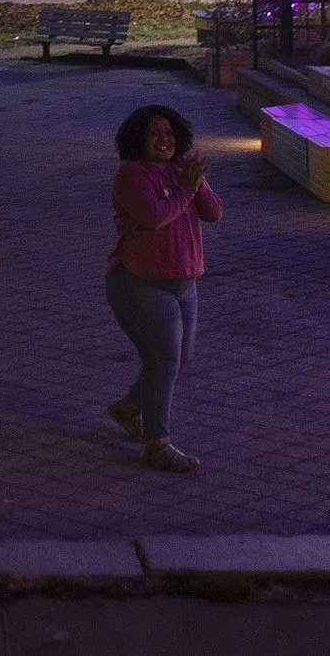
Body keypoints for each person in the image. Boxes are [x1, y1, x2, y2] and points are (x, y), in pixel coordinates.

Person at [103, 104, 221, 473]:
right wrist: (186, 189)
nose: (164, 140)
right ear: (139, 139)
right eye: (155, 133)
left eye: (169, 133)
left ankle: (129, 407)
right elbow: (154, 217)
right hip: (139, 284)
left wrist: (196, 182)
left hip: (185, 282)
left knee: (177, 360)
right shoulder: (130, 174)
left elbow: (214, 213)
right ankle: (158, 444)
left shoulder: (180, 171)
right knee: (165, 362)